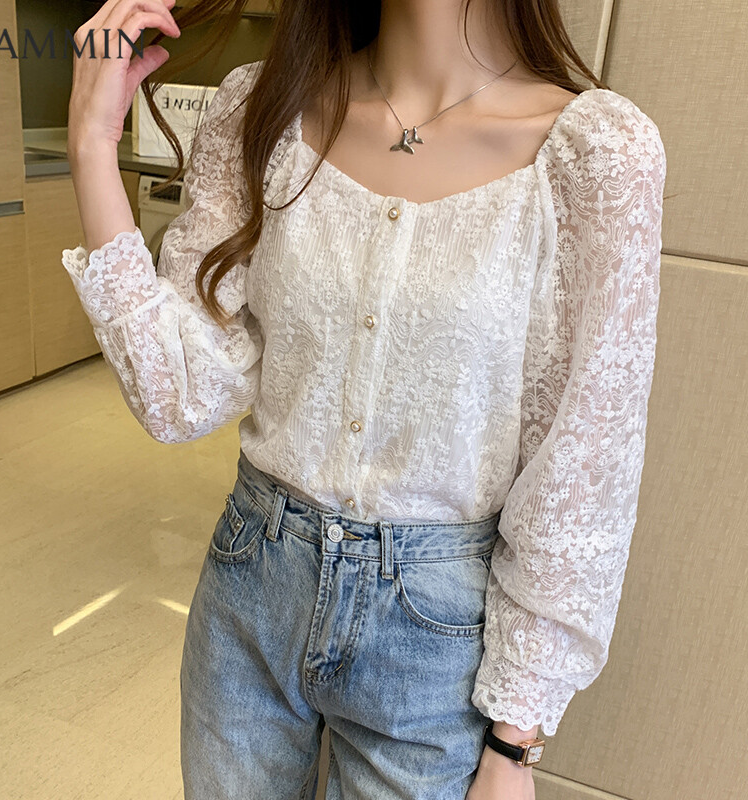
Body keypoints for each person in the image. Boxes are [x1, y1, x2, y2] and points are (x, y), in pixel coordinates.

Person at [61, 0, 667, 798]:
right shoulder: (264, 112)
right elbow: (179, 394)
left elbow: (584, 471)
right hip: (251, 584)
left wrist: (514, 742)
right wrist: (92, 145)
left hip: (434, 643)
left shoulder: (596, 157)